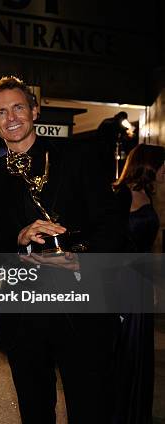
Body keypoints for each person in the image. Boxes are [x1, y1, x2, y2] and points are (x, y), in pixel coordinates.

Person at [0, 76, 126, 423]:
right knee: (34, 411)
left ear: (35, 110)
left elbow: (113, 226)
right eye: (1, 112)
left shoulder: (78, 158)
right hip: (23, 315)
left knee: (91, 407)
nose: (11, 117)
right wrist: (17, 238)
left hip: (82, 309)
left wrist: (80, 256)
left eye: (18, 107)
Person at [111, 143, 165, 423]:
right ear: (149, 165)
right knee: (125, 350)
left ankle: (134, 411)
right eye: (163, 165)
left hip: (140, 283)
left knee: (139, 350)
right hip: (124, 283)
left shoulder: (146, 193)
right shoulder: (120, 194)